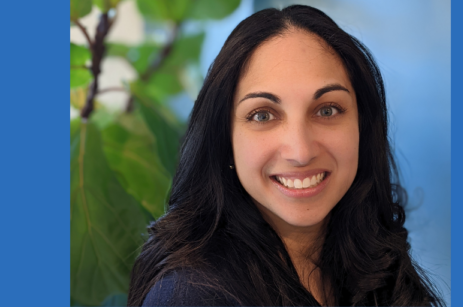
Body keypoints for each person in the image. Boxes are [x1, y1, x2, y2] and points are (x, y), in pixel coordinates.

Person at [128, 5, 443, 306]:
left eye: (327, 110)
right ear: (225, 137)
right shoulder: (191, 295)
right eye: (263, 115)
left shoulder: (373, 261)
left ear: (362, 125)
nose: (301, 151)